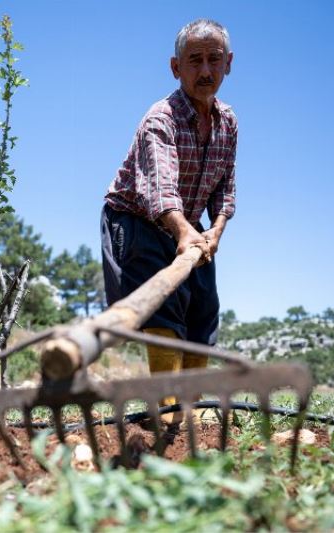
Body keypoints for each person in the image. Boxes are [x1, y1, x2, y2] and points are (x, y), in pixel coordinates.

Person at [101, 19, 237, 426]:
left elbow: (225, 186)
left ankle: (188, 411)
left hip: (191, 226)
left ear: (228, 63)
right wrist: (183, 232)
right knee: (162, 311)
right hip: (136, 218)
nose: (206, 71)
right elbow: (158, 188)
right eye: (194, 61)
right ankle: (165, 408)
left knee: (202, 309)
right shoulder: (161, 118)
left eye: (214, 60)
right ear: (176, 68)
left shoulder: (228, 122)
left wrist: (215, 230)